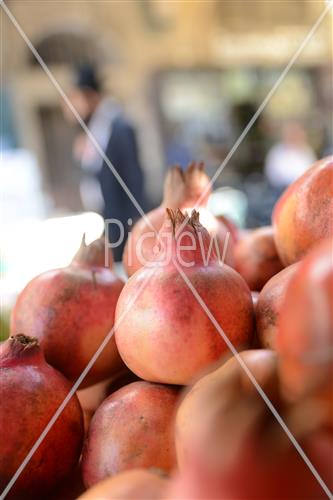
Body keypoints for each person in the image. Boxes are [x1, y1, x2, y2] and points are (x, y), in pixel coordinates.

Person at [63, 65, 144, 261]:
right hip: (107, 218)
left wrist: (136, 223)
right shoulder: (93, 131)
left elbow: (132, 178)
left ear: (90, 96)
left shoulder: (119, 128)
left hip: (123, 220)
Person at [264, 121, 316, 191]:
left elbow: (313, 171)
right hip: (282, 190)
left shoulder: (307, 151)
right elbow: (274, 176)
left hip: (304, 188)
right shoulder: (276, 153)